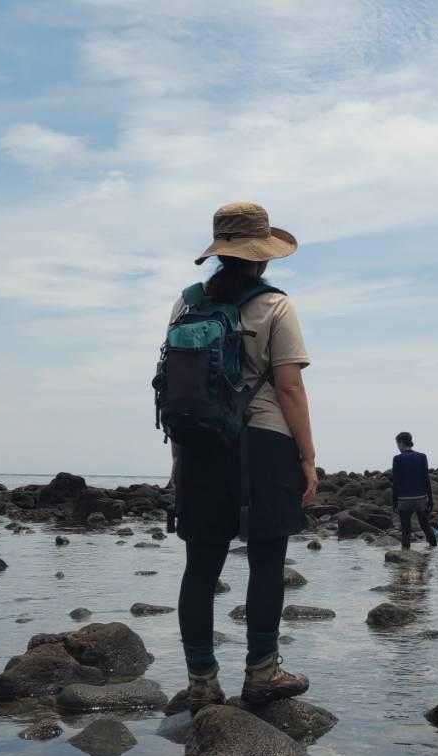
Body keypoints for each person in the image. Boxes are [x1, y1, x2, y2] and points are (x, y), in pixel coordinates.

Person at [168, 202, 316, 710]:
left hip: (199, 445)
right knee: (266, 562)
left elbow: (178, 388)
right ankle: (262, 673)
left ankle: (201, 682)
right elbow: (290, 388)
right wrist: (307, 458)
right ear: (263, 256)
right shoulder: (275, 306)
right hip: (264, 443)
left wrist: (178, 463)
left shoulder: (187, 304)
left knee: (200, 567)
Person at [391, 431, 437, 550]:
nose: (398, 447)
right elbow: (426, 479)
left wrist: (394, 502)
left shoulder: (397, 459)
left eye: (397, 444)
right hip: (420, 499)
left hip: (404, 500)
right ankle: (435, 551)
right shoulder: (422, 457)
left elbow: (395, 483)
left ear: (401, 443)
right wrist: (430, 500)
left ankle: (405, 556)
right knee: (425, 525)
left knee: (406, 530)